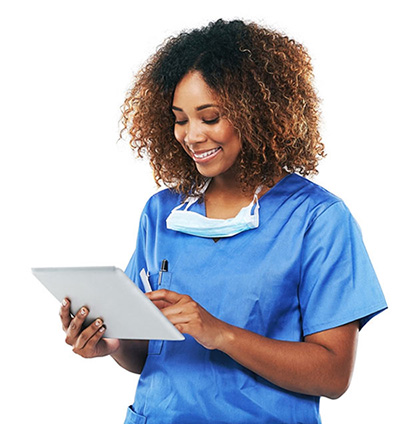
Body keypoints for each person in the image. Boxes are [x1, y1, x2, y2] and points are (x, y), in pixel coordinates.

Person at [59, 19, 387, 424]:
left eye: (210, 117)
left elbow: (333, 374)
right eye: (180, 119)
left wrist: (221, 334)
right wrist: (111, 343)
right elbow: (147, 357)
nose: (192, 136)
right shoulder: (162, 214)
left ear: (258, 115)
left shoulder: (316, 219)